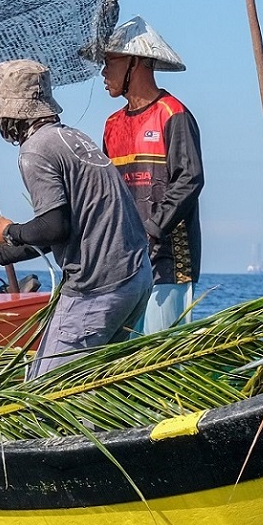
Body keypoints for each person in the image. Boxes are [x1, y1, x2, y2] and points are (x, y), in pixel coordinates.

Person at [0, 59, 151, 376]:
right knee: (93, 388)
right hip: (135, 278)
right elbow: (61, 231)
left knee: (43, 390)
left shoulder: (36, 149)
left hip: (97, 289)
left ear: (13, 114)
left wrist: (10, 230)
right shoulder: (73, 138)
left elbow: (53, 227)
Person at [99, 17, 204, 333]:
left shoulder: (174, 114)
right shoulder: (111, 124)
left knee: (160, 358)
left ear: (137, 62)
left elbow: (190, 179)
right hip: (125, 266)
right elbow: (107, 193)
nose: (104, 72)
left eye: (110, 62)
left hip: (168, 262)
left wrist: (153, 229)